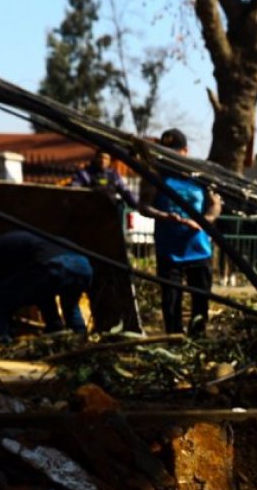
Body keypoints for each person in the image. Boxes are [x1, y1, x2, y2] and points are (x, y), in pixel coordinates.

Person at [139, 128, 221, 335]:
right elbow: (144, 205)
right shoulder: (155, 175)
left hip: (198, 248)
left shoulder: (199, 176)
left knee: (200, 300)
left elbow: (215, 205)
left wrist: (204, 220)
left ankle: (198, 337)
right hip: (169, 251)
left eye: (174, 151)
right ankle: (174, 339)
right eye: (165, 151)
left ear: (185, 151)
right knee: (170, 301)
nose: (169, 156)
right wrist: (164, 216)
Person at [0, 231, 92, 343]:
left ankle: (1, 347)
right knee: (66, 305)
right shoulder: (7, 246)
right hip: (83, 266)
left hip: (53, 266)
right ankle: (79, 341)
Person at [69, 149, 138, 209]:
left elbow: (125, 191)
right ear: (95, 158)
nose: (103, 160)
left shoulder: (114, 175)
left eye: (106, 158)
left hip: (109, 211)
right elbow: (75, 189)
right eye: (101, 157)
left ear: (109, 161)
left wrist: (136, 205)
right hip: (90, 211)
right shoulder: (85, 173)